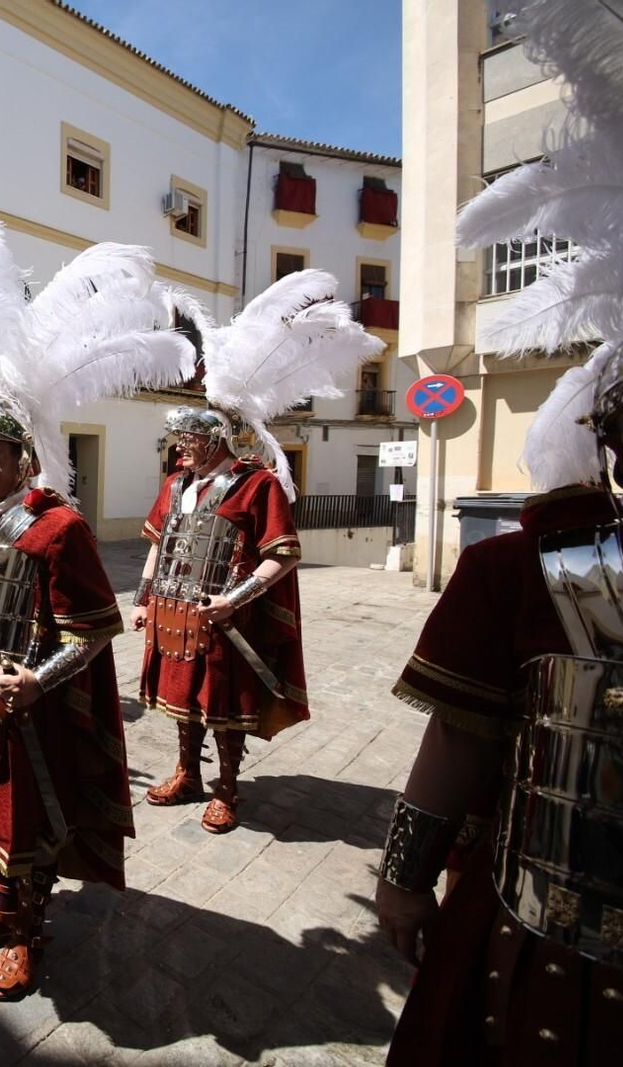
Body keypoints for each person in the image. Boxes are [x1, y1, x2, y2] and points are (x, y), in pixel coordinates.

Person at [379, 7, 623, 1058]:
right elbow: (460, 737)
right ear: (616, 439)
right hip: (540, 941)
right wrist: (404, 871)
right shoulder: (523, 571)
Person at [0, 220, 194, 1000]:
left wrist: (37, 681)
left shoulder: (59, 526)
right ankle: (2, 903)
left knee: (26, 825)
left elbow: (93, 632)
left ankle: (29, 928)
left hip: (25, 705)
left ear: (25, 459)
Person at [135, 268, 379, 833]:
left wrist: (233, 600)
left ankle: (226, 788)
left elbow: (282, 554)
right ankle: (186, 773)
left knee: (223, 707)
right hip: (172, 611)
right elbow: (157, 543)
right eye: (181, 442)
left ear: (217, 439)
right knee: (180, 700)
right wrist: (145, 598)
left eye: (192, 441)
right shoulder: (174, 484)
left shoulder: (256, 483)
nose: (183, 449)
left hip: (226, 615)